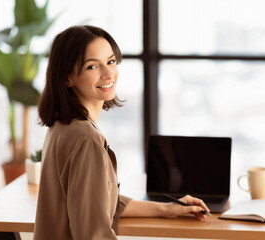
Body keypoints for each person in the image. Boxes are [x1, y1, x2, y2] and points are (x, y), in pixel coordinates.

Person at [33, 25, 210, 240]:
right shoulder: (85, 138)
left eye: (111, 61)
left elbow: (102, 201)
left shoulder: (62, 126)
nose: (108, 73)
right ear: (67, 77)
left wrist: (169, 209)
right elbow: (93, 234)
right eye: (92, 67)